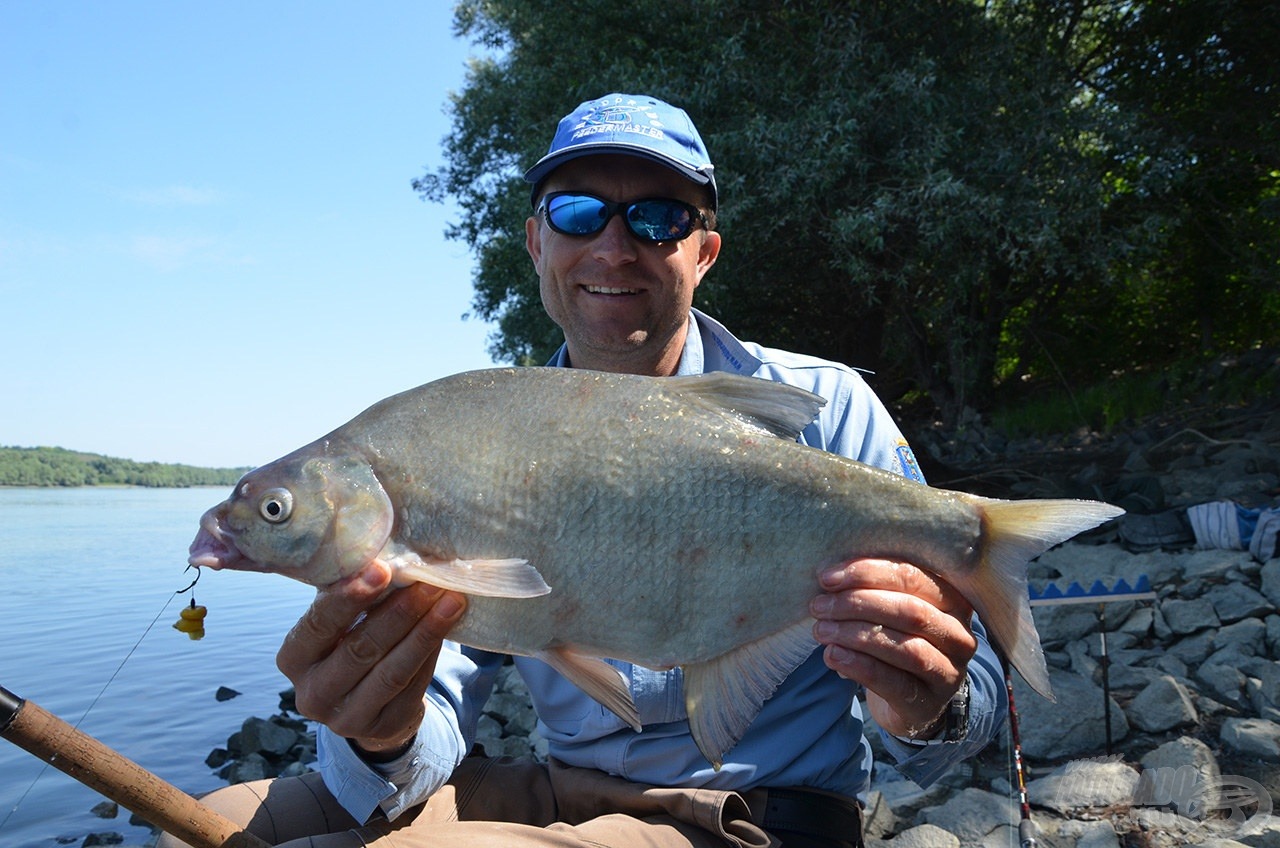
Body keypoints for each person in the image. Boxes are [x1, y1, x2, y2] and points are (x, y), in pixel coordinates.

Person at [159, 92, 1007, 848]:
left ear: (704, 250)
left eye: (657, 220)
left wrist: (923, 700)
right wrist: (378, 732)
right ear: (536, 242)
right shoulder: (472, 440)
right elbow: (426, 740)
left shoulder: (830, 408)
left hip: (765, 809)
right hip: (565, 797)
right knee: (199, 829)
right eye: (577, 213)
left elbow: (967, 725)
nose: (613, 246)